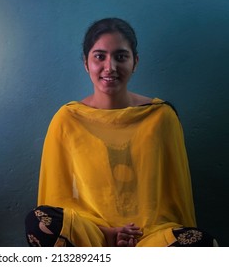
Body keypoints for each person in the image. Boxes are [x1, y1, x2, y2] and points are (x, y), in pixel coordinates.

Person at [25, 18, 217, 247]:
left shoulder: (160, 117)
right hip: (93, 236)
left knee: (202, 245)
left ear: (135, 62)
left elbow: (177, 198)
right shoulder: (67, 119)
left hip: (149, 238)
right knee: (40, 221)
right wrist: (107, 232)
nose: (110, 67)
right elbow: (56, 197)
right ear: (86, 63)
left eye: (120, 56)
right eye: (99, 56)